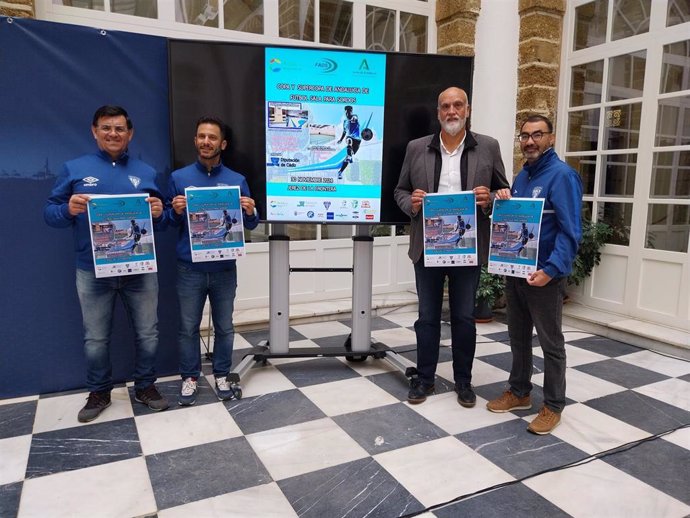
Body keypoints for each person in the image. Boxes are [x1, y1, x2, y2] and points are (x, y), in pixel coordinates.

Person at [44, 105, 169, 423]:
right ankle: (99, 392)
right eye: (106, 128)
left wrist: (160, 213)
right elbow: (50, 214)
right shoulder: (74, 169)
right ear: (94, 131)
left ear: (130, 133)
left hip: (140, 268)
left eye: (119, 129)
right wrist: (67, 210)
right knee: (96, 337)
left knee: (148, 334)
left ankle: (145, 387)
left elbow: (164, 219)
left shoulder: (147, 172)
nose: (113, 134)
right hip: (92, 270)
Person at [394, 87, 510, 407]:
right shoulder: (417, 148)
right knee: (427, 317)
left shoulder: (488, 147)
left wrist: (490, 199)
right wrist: (412, 204)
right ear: (438, 113)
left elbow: (503, 189)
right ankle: (426, 379)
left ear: (467, 110)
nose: (452, 111)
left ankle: (464, 382)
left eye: (457, 105)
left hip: (467, 249)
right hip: (427, 248)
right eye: (445, 106)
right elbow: (400, 190)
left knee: (463, 317)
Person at [486, 114, 582, 435]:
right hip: (516, 272)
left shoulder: (562, 176)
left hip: (544, 277)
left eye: (537, 135)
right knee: (518, 337)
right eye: (524, 136)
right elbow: (515, 222)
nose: (529, 141)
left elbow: (571, 233)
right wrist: (503, 200)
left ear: (550, 138)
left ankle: (553, 405)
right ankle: (520, 392)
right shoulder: (521, 177)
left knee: (551, 343)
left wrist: (551, 271)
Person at [167, 116, 259, 406]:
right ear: (195, 141)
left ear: (223, 143)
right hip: (189, 269)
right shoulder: (178, 178)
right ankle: (189, 378)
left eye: (212, 137)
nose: (206, 142)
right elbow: (168, 222)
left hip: (223, 268)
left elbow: (251, 225)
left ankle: (221, 373)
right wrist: (176, 211)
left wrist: (251, 210)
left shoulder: (236, 180)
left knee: (225, 327)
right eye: (201, 136)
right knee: (187, 328)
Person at [336, 105, 361, 180]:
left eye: (349, 111)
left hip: (357, 140)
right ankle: (350, 156)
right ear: (345, 112)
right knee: (349, 139)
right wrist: (340, 139)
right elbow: (344, 132)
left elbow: (353, 118)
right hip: (350, 138)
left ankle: (340, 171)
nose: (347, 113)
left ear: (351, 112)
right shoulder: (345, 122)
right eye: (346, 112)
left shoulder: (355, 117)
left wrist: (351, 116)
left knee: (348, 157)